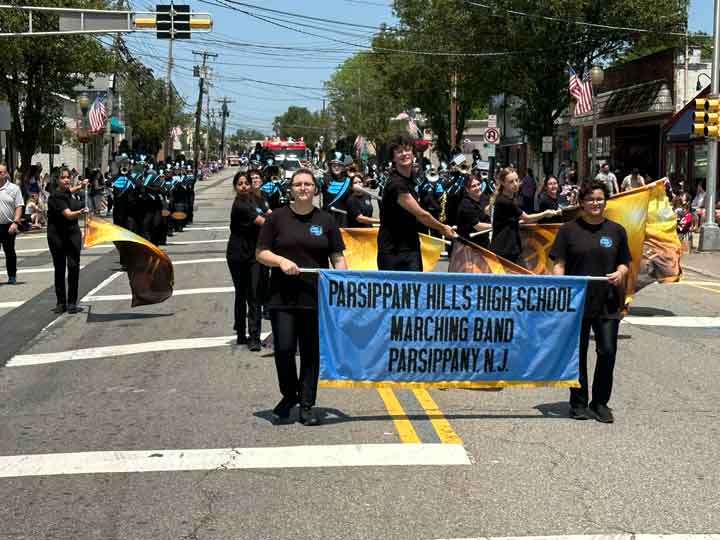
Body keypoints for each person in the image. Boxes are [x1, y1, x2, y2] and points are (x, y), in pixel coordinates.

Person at [256, 168, 347, 426]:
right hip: (282, 295)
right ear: (291, 189)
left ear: (315, 189)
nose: (303, 188)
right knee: (284, 349)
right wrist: (281, 261)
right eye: (298, 184)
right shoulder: (277, 219)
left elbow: (337, 257)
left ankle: (306, 404)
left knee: (310, 352)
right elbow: (261, 253)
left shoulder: (327, 221)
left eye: (308, 184)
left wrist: (344, 280)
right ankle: (289, 395)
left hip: (314, 296)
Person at [550, 180, 631, 424]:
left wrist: (620, 273)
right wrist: (560, 288)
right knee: (578, 353)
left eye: (599, 199)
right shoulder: (569, 230)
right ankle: (578, 402)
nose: (595, 203)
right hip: (577, 302)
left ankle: (600, 403)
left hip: (607, 301)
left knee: (607, 351)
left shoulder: (616, 231)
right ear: (581, 203)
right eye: (590, 200)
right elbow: (559, 264)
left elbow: (625, 262)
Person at [377, 135, 455, 271]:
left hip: (411, 247)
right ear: (393, 158)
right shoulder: (396, 184)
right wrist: (443, 228)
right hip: (392, 251)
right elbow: (421, 215)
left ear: (412, 153)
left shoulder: (411, 180)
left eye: (407, 150)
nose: (404, 154)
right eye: (399, 151)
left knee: (415, 290)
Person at [488, 168, 561, 263]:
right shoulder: (505, 201)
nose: (515, 184)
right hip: (504, 249)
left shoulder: (510, 198)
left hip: (511, 247)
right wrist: (545, 213)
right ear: (503, 183)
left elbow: (514, 220)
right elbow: (527, 218)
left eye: (516, 180)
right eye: (511, 182)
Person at [226, 171, 265, 351]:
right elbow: (262, 221)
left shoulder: (255, 201)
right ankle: (241, 333)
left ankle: (255, 337)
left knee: (254, 294)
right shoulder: (240, 205)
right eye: (240, 183)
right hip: (237, 254)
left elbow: (268, 212)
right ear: (235, 187)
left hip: (253, 254)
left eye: (246, 183)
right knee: (242, 294)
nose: (244, 186)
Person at [46, 167, 88, 314]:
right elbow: (69, 215)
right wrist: (82, 212)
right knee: (59, 268)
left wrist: (81, 186)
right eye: (63, 177)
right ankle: (61, 302)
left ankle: (71, 302)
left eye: (68, 177)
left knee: (74, 267)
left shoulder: (66, 193)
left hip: (72, 236)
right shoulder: (55, 196)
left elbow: (70, 191)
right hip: (57, 237)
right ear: (57, 180)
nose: (67, 180)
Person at [0, 163, 24, 284]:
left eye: (1, 172)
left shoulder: (14, 188)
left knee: (9, 252)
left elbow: (19, 206)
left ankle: (12, 275)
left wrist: (15, 222)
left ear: (5, 174)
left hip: (8, 225)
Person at [455, 175, 491, 248]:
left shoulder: (485, 198)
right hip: (468, 246)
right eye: (473, 186)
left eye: (478, 184)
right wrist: (497, 225)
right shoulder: (465, 205)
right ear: (467, 190)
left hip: (484, 243)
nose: (478, 188)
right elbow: (478, 226)